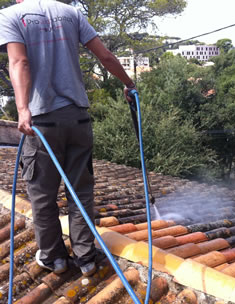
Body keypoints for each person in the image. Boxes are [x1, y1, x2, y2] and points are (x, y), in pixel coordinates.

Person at [0, 0, 136, 276]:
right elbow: (106, 57)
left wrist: (23, 109)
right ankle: (86, 259)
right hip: (78, 120)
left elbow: (19, 61)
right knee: (80, 193)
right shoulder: (71, 13)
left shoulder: (9, 16)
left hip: (42, 123)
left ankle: (54, 258)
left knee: (42, 194)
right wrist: (129, 84)